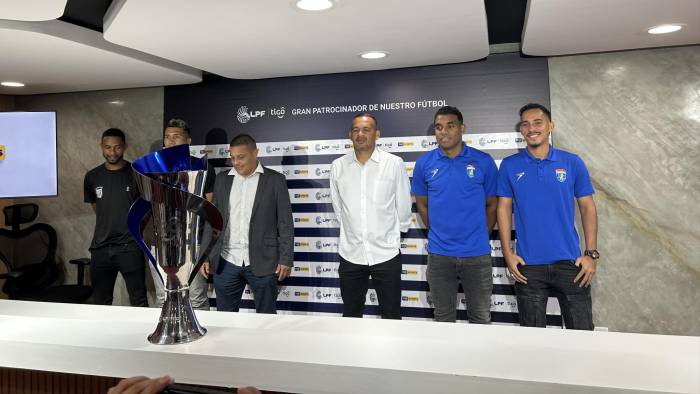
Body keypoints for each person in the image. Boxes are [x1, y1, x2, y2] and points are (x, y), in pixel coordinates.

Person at [496, 103, 599, 330]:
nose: (531, 128)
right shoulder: (509, 165)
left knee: (582, 335)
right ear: (521, 130)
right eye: (525, 124)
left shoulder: (572, 162)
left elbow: (587, 207)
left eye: (538, 122)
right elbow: (503, 208)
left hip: (571, 264)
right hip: (528, 266)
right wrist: (507, 253)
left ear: (550, 126)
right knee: (533, 341)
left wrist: (591, 253)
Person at [411, 106, 497, 323]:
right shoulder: (424, 164)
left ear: (462, 128)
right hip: (440, 256)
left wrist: (479, 235)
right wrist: (440, 231)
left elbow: (492, 204)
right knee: (443, 318)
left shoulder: (483, 161)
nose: (444, 132)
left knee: (480, 318)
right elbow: (421, 203)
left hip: (477, 255)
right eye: (439, 127)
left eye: (450, 126)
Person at [329, 114, 412, 319]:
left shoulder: (394, 163)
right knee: (351, 313)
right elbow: (339, 208)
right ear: (350, 135)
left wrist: (393, 236)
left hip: (386, 253)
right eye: (356, 130)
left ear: (377, 134)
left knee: (391, 314)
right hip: (351, 254)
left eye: (366, 130)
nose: (360, 134)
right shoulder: (338, 166)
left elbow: (403, 205)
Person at [201, 134, 293, 313]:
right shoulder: (222, 180)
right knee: (226, 320)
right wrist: (205, 254)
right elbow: (212, 220)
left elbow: (285, 223)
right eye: (232, 157)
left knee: (266, 318)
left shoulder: (275, 180)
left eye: (241, 157)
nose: (236, 162)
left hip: (264, 261)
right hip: (226, 261)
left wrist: (286, 258)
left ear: (255, 153)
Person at [147, 118, 215, 310]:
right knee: (163, 298)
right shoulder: (153, 167)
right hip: (160, 242)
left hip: (192, 242)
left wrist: (205, 249)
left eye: (176, 137)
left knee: (196, 298)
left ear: (189, 140)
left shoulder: (203, 167)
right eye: (167, 137)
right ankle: (167, 335)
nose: (170, 141)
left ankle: (203, 337)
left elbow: (209, 208)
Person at [84, 128, 147, 306]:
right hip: (100, 249)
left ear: (125, 147)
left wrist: (133, 228)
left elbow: (146, 210)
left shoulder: (137, 174)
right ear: (101, 147)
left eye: (117, 147)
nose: (112, 152)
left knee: (139, 301)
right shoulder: (92, 176)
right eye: (108, 147)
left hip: (130, 248)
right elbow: (97, 207)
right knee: (101, 302)